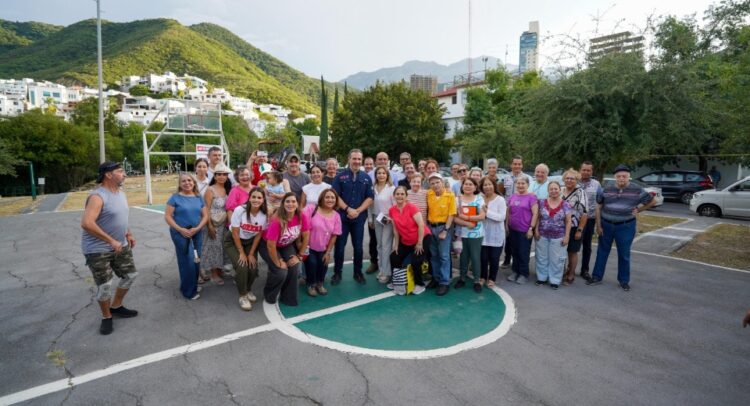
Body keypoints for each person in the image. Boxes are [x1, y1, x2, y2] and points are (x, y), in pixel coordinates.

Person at [81, 161, 139, 335]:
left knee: (130, 275)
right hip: (98, 250)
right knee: (105, 286)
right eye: (120, 171)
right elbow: (87, 223)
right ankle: (106, 316)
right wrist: (111, 240)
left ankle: (116, 306)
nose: (124, 174)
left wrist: (128, 233)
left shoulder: (120, 193)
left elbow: (121, 217)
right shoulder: (97, 196)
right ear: (108, 175)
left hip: (120, 245)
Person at [587, 165, 656, 291]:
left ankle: (624, 281)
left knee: (624, 254)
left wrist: (639, 210)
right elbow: (598, 206)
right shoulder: (606, 188)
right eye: (619, 176)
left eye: (624, 176)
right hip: (606, 225)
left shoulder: (637, 189)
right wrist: (598, 225)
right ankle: (596, 277)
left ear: (629, 177)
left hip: (626, 226)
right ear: (615, 177)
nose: (621, 178)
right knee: (602, 252)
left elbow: (652, 201)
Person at [332, 149, 374, 285]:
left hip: (358, 219)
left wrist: (358, 211)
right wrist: (348, 209)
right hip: (342, 219)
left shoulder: (366, 178)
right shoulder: (340, 177)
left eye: (359, 159)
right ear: (349, 159)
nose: (356, 161)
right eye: (354, 158)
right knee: (339, 247)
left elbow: (370, 197)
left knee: (358, 247)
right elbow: (335, 196)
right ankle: (337, 273)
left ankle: (358, 273)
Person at [259, 192, 310, 305]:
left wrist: (299, 256)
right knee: (280, 272)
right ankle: (269, 295)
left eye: (293, 201)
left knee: (294, 266)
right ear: (283, 204)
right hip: (267, 246)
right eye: (287, 201)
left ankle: (288, 298)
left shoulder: (302, 216)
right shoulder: (277, 220)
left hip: (286, 244)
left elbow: (306, 236)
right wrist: (278, 261)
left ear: (297, 204)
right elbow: (270, 245)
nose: (290, 204)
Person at [165, 173, 209, 300]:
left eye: (189, 180)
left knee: (196, 260)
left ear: (194, 182)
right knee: (187, 261)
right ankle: (188, 292)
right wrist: (180, 230)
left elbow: (205, 216)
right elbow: (167, 216)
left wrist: (198, 228)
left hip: (196, 232)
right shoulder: (175, 198)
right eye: (183, 181)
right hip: (180, 234)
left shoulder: (198, 197)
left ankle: (192, 285)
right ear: (180, 184)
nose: (187, 183)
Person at [226, 187, 267, 311]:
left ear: (263, 200)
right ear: (249, 198)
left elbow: (259, 235)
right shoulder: (240, 210)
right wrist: (242, 253)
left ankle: (248, 289)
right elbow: (235, 233)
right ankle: (242, 295)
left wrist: (251, 253)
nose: (256, 200)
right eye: (253, 197)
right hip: (233, 241)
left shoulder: (264, 214)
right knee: (242, 266)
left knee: (253, 268)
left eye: (259, 197)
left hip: (250, 242)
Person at [389, 185, 431, 295]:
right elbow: (395, 229)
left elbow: (421, 225)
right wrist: (396, 245)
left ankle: (420, 284)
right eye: (397, 194)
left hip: (422, 238)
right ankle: (397, 281)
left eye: (402, 194)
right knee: (394, 257)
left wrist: (420, 243)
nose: (400, 196)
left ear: (406, 196)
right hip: (406, 240)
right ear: (394, 196)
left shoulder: (412, 208)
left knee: (416, 261)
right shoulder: (392, 210)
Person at [303, 188, 342, 297]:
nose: (330, 199)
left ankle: (320, 283)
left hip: (323, 247)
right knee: (312, 264)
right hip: (309, 246)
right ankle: (311, 284)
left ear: (336, 200)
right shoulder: (312, 208)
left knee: (323, 264)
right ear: (322, 198)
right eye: (327, 197)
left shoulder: (336, 216)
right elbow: (299, 214)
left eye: (333, 198)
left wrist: (328, 252)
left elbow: (334, 235)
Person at [534, 181, 572, 290]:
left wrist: (567, 236)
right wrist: (536, 230)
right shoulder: (541, 202)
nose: (553, 191)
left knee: (557, 260)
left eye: (556, 189)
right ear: (548, 190)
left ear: (560, 190)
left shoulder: (565, 204)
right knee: (541, 257)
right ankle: (541, 278)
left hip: (558, 236)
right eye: (551, 189)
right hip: (542, 235)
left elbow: (568, 221)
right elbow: (538, 217)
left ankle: (555, 280)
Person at [201, 162, 232, 286]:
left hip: (224, 224)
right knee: (213, 248)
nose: (222, 176)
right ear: (214, 176)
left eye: (224, 174)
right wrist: (209, 226)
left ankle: (220, 270)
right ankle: (214, 274)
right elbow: (206, 209)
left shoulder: (228, 188)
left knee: (222, 248)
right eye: (219, 174)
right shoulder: (210, 190)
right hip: (213, 224)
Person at [453, 178, 486, 292]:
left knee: (475, 257)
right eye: (465, 184)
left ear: (475, 187)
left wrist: (467, 218)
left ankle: (477, 281)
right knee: (463, 257)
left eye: (470, 184)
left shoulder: (479, 199)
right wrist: (467, 223)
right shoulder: (457, 199)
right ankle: (462, 278)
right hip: (461, 234)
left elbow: (482, 216)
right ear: (462, 186)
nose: (467, 186)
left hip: (476, 234)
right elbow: (454, 218)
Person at [426, 173, 456, 296]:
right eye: (432, 183)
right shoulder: (429, 193)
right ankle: (436, 278)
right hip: (431, 227)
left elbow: (451, 214)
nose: (435, 185)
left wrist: (445, 230)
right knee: (434, 255)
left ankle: (444, 282)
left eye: (437, 182)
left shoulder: (450, 195)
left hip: (443, 227)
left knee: (444, 256)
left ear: (442, 182)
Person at [501, 156, 532, 269]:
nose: (517, 166)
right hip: (509, 210)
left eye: (519, 164)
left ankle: (521, 265)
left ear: (522, 165)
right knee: (509, 237)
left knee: (521, 241)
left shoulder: (527, 178)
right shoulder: (505, 178)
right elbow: (503, 192)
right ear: (511, 165)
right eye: (515, 164)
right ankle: (507, 259)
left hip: (522, 212)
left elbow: (530, 194)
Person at [506, 176, 538, 285]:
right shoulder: (513, 196)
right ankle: (515, 271)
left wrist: (531, 228)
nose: (520, 185)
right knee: (514, 251)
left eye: (523, 183)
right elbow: (508, 212)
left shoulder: (531, 197)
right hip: (512, 228)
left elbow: (535, 213)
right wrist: (506, 225)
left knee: (523, 252)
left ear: (528, 185)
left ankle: (523, 274)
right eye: (518, 183)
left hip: (525, 230)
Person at [368, 166, 396, 283]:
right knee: (379, 245)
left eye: (383, 173)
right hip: (376, 218)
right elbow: (369, 205)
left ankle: (387, 273)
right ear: (376, 175)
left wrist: (392, 218)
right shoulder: (372, 188)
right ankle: (382, 270)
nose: (381, 175)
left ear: (387, 175)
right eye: (379, 173)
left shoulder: (391, 188)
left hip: (388, 219)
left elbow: (395, 206)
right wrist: (370, 219)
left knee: (386, 246)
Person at [561, 168, 588, 285]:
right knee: (560, 251)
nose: (569, 180)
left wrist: (579, 230)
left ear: (576, 180)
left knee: (572, 251)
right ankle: (560, 272)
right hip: (560, 227)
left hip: (574, 226)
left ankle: (571, 274)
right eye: (567, 178)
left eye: (572, 178)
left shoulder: (580, 192)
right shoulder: (560, 190)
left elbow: (585, 213)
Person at [479, 176, 506, 288]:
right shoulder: (480, 198)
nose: (487, 187)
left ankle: (492, 278)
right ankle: (482, 277)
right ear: (482, 187)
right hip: (482, 233)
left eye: (489, 184)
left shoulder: (500, 199)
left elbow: (501, 217)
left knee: (494, 258)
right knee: (483, 258)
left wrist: (487, 212)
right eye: (485, 185)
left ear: (494, 185)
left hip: (496, 234)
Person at [578, 161, 602, 281]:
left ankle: (585, 270)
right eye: (584, 170)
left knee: (587, 246)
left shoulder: (596, 184)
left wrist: (598, 223)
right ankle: (567, 268)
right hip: (575, 219)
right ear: (580, 170)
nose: (586, 172)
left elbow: (600, 203)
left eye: (588, 170)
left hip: (589, 219)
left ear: (592, 171)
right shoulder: (574, 181)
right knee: (571, 246)